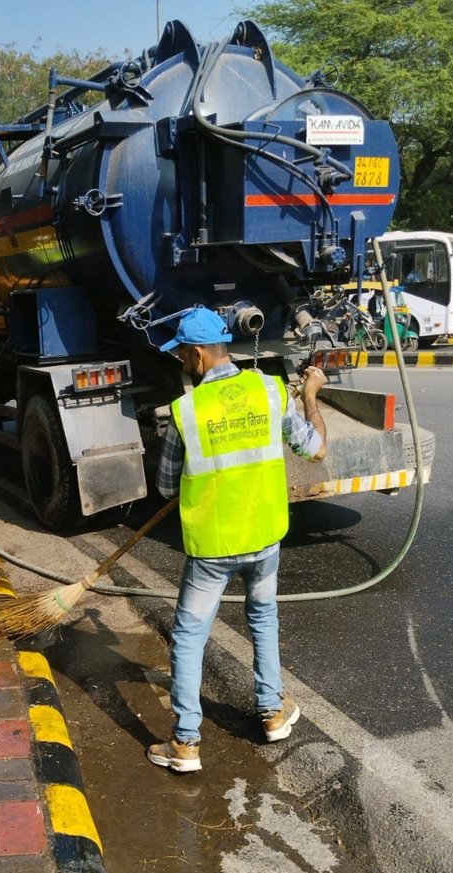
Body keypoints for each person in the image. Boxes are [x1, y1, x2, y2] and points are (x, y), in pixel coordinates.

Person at [147, 307, 328, 773]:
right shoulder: (268, 390)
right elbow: (315, 447)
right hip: (264, 537)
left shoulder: (185, 411)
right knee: (263, 618)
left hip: (212, 547)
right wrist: (311, 396)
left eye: (183, 354)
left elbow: (166, 486)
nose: (182, 362)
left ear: (199, 354)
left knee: (188, 638)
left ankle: (186, 742)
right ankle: (272, 712)